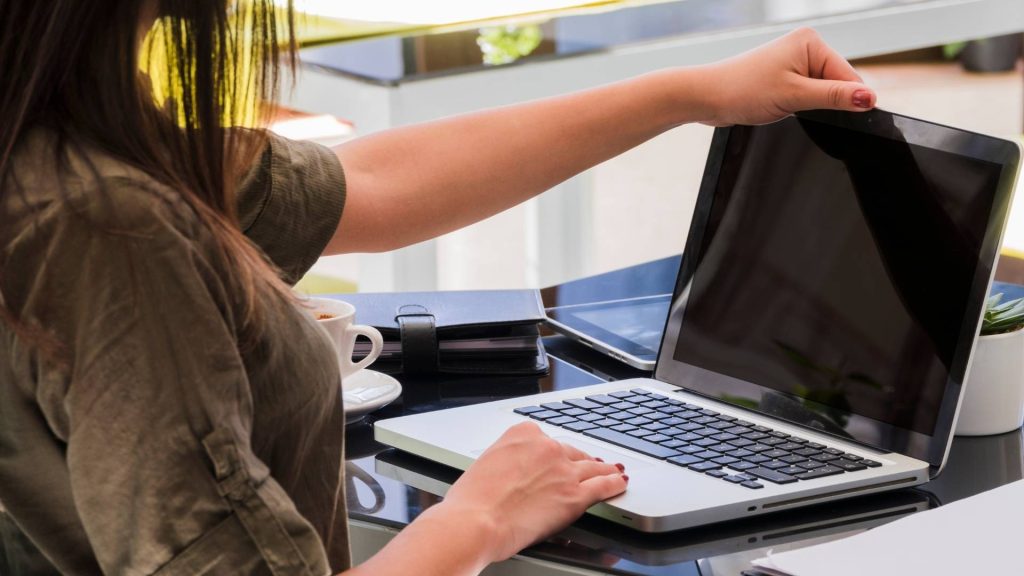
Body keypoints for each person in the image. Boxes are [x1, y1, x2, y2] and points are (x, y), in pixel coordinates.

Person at [0, 1, 876, 575]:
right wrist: (482, 518)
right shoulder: (106, 224)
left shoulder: (60, 134)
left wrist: (689, 93)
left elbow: (369, 188)